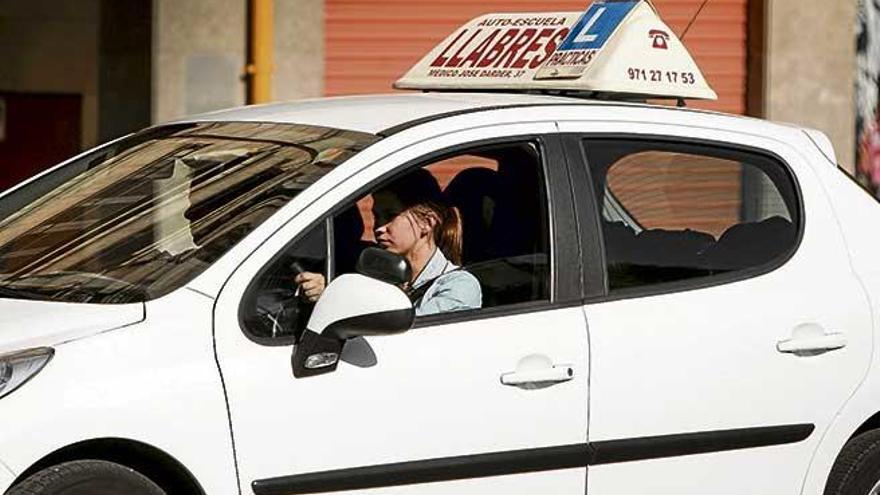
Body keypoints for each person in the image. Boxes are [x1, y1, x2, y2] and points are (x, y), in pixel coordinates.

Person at [295, 169, 482, 316]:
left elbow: (406, 335)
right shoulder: (374, 275)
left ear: (427, 223)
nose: (379, 227)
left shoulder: (458, 286)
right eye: (376, 216)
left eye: (390, 216)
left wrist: (332, 298)